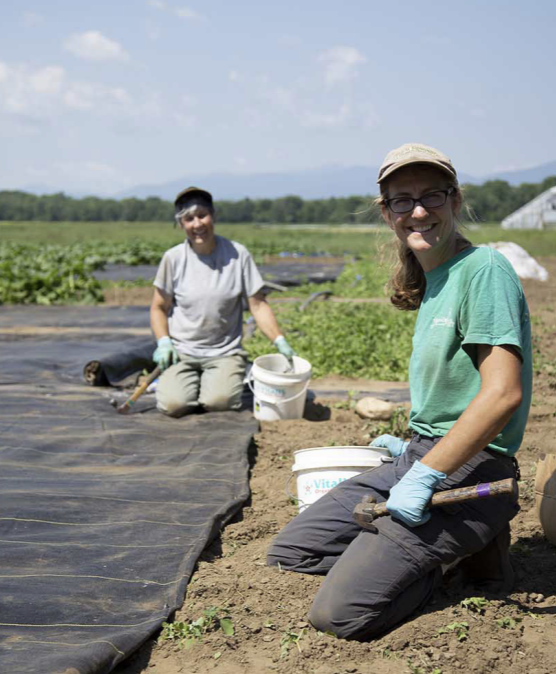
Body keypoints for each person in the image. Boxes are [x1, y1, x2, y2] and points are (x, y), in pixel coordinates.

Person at [267, 143, 532, 640]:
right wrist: (410, 443)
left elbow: (502, 396)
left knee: (340, 614)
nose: (417, 210)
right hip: (419, 458)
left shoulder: (484, 270)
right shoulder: (435, 280)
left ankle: (455, 561)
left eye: (431, 195)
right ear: (386, 212)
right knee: (292, 552)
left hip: (468, 468)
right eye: (401, 200)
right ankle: (444, 551)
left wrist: (428, 475)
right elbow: (457, 390)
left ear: (455, 201)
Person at [150, 186, 296, 417]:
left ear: (213, 216)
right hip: (182, 351)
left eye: (202, 215)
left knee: (219, 402)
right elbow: (159, 307)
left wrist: (279, 340)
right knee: (173, 405)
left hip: (224, 352)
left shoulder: (237, 255)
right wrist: (164, 342)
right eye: (189, 219)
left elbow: (257, 305)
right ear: (181, 224)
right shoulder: (173, 259)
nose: (197, 224)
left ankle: (218, 380)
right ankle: (181, 382)